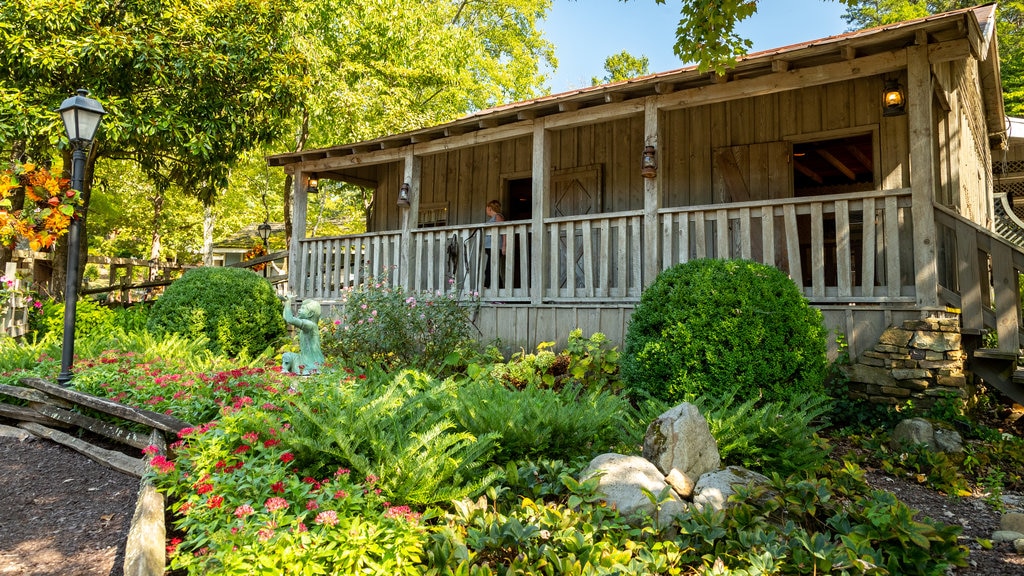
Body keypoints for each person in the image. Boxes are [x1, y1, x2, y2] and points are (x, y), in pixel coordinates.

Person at [281, 294, 325, 375]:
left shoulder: (310, 325)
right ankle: (284, 371)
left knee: (290, 357)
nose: (299, 310)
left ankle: (288, 371)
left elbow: (289, 319)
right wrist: (285, 304)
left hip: (312, 362)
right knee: (287, 356)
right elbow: (286, 318)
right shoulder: (308, 324)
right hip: (303, 358)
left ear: (310, 314)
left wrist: (288, 302)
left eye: (303, 308)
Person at [483, 199, 505, 288]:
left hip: (495, 247)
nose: (486, 210)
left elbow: (504, 231)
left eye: (486, 208)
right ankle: (500, 290)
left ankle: (486, 286)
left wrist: (504, 246)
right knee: (493, 269)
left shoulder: (498, 217)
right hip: (490, 247)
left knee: (489, 270)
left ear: (489, 208)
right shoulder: (493, 218)